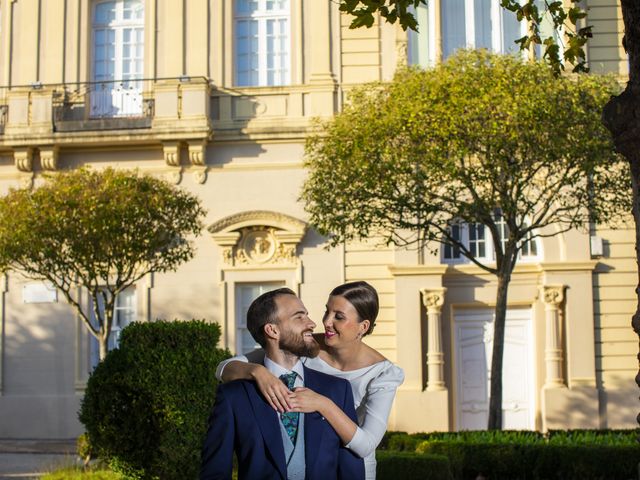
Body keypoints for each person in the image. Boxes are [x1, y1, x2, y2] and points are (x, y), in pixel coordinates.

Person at [217, 281, 405, 479]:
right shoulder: (307, 345)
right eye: (327, 311)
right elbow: (223, 369)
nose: (326, 322)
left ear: (363, 326)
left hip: (354, 467)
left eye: (338, 317)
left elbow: (366, 445)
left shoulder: (383, 374)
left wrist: (323, 404)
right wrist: (257, 372)